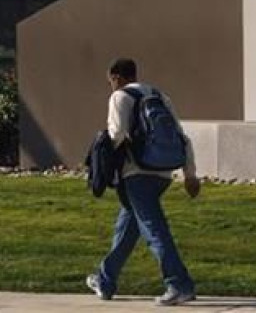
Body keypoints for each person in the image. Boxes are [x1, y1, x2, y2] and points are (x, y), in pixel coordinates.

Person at [86, 58, 201, 306]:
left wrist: (100, 157)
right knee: (126, 229)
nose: (111, 87)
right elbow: (182, 137)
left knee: (154, 229)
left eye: (111, 81)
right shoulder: (160, 96)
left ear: (117, 77)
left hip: (136, 173)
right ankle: (105, 281)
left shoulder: (119, 97)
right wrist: (190, 175)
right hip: (162, 173)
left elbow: (116, 134)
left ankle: (179, 284)